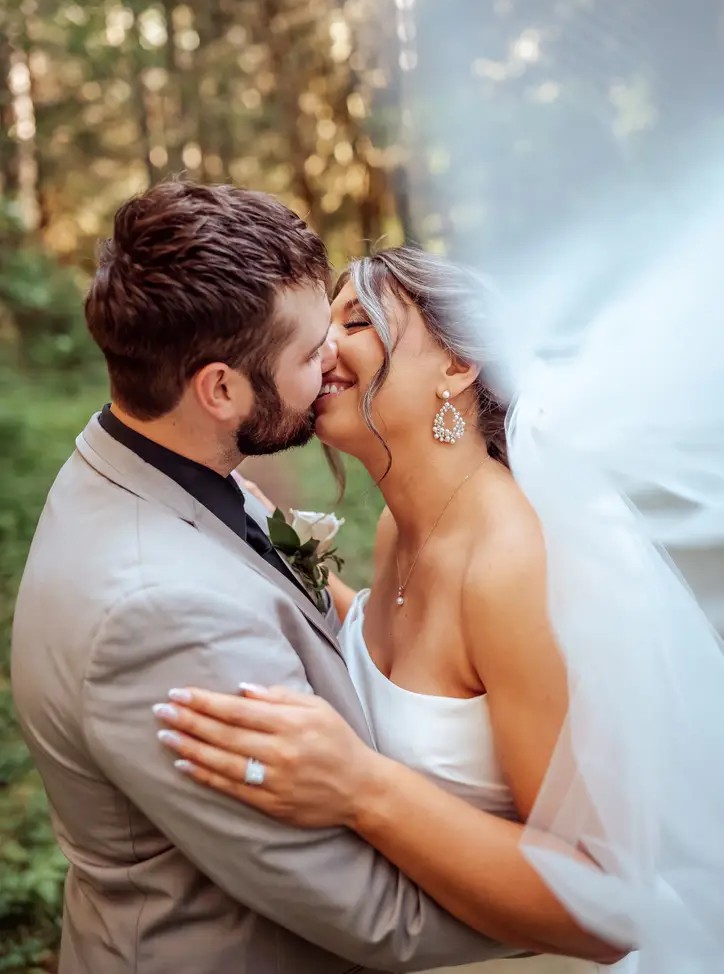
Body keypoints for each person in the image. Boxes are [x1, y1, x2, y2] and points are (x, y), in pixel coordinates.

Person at [153, 244, 724, 974]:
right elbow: (428, 682)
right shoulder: (405, 529)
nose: (323, 344)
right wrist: (269, 545)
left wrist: (360, 787)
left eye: (357, 320)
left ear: (457, 366)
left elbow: (606, 903)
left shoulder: (515, 567)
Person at [12, 183, 536, 974]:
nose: (332, 356)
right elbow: (375, 915)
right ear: (220, 389)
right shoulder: (159, 610)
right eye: (310, 346)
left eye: (348, 326)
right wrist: (576, 907)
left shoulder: (133, 469)